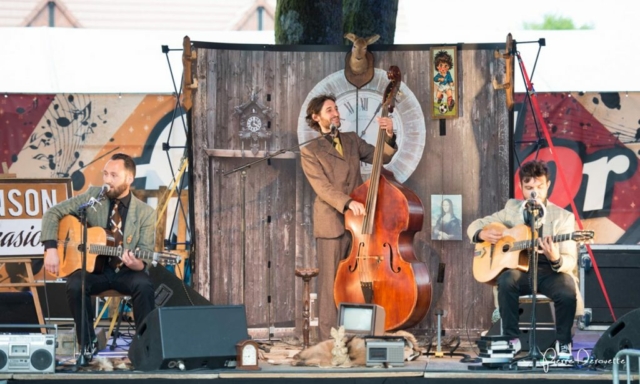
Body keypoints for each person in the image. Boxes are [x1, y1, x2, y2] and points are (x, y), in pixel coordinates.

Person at [300, 94, 397, 342]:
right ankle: (329, 342)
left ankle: (356, 335)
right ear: (316, 117)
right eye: (329, 110)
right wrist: (348, 202)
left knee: (353, 281)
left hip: (358, 224)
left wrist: (389, 134)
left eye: (336, 109)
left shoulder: (352, 140)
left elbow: (381, 157)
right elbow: (322, 188)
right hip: (332, 222)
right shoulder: (310, 151)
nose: (335, 114)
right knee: (331, 284)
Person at [42, 153, 156, 360]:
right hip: (95, 271)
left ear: (129, 179)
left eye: (114, 175)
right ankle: (87, 346)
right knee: (76, 283)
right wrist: (50, 248)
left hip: (126, 271)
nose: (107, 180)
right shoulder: (93, 196)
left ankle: (145, 347)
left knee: (144, 285)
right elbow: (53, 213)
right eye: (105, 174)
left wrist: (138, 264)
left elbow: (146, 252)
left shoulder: (145, 212)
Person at [466, 160, 582, 359]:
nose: (534, 193)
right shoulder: (512, 209)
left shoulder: (563, 217)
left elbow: (570, 259)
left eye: (539, 187)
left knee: (567, 290)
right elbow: (476, 224)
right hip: (521, 269)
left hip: (550, 270)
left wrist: (555, 258)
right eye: (528, 188)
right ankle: (511, 339)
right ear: (521, 187)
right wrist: (481, 234)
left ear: (548, 186)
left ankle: (563, 343)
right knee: (506, 280)